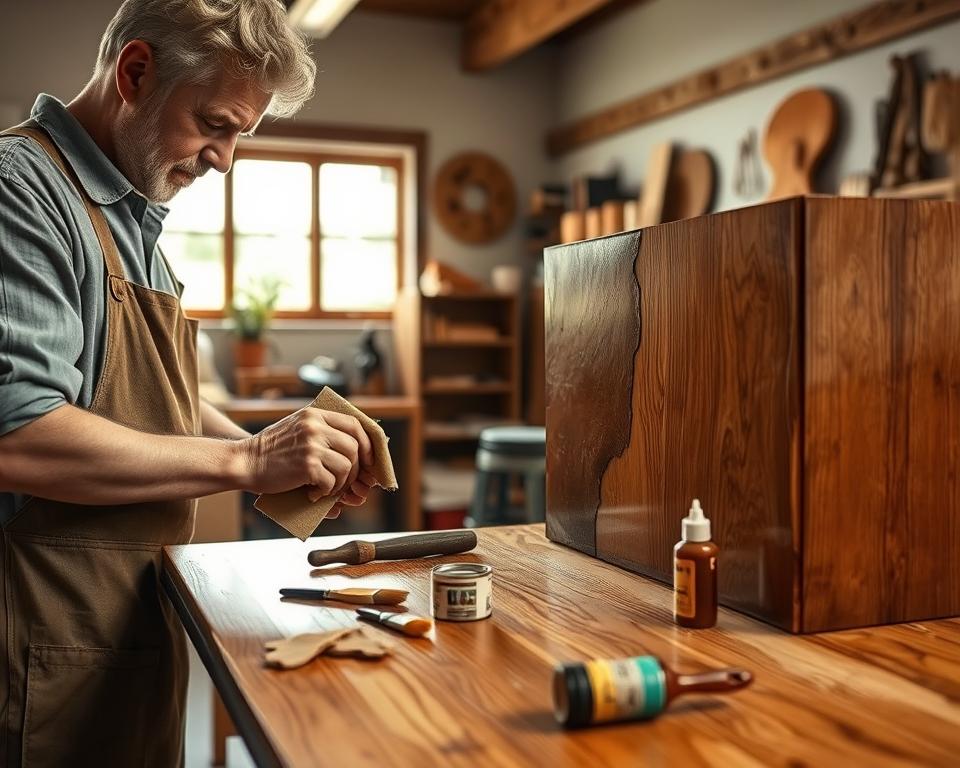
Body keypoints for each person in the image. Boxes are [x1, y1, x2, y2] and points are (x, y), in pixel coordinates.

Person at [0, 1, 375, 764]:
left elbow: (145, 396)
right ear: (134, 73)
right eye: (215, 124)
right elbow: (20, 432)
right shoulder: (21, 192)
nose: (224, 159)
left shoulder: (131, 216)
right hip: (37, 638)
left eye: (240, 134)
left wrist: (273, 451)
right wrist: (247, 464)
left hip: (122, 625)